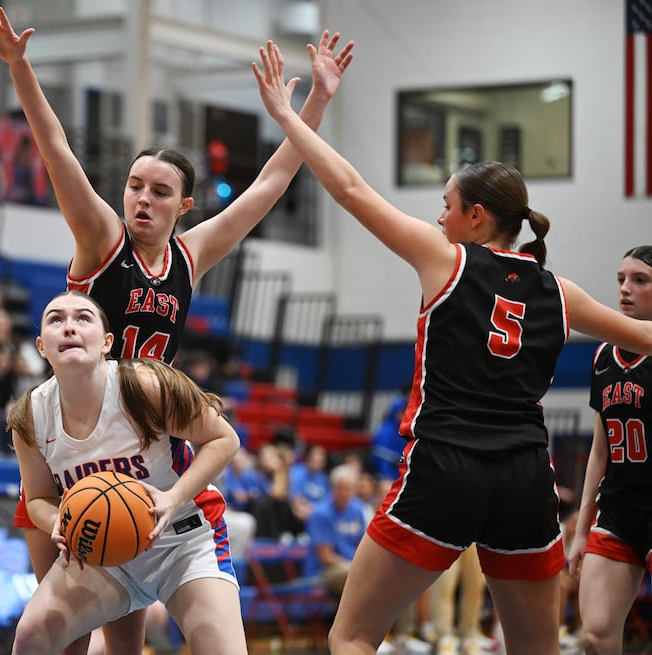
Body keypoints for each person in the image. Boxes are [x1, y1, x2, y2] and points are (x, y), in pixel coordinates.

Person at [0, 4, 353, 653]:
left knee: (133, 626)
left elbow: (273, 179)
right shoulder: (100, 241)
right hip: (78, 452)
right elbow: (57, 150)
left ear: (185, 203)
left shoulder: (189, 255)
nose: (141, 199)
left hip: (152, 440)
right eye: (133, 185)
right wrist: (21, 69)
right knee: (63, 635)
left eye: (158, 190)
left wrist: (313, 100)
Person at [253, 39, 652, 655]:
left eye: (446, 206)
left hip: (445, 464)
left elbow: (353, 190)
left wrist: (288, 113)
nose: (439, 218)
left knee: (352, 635)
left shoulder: (446, 259)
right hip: (525, 476)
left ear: (475, 216)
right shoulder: (560, 290)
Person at [5, 290, 245, 655]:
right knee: (32, 634)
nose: (69, 326)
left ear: (106, 342)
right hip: (102, 549)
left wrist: (173, 497)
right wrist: (56, 519)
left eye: (83, 318)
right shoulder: (30, 416)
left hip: (183, 540)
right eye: (56, 319)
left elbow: (224, 439)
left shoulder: (141, 386)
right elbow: (37, 497)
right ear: (41, 346)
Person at [567, 245, 652, 655]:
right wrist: (582, 530)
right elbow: (600, 452)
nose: (625, 289)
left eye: (640, 280)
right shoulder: (603, 355)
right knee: (595, 636)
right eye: (621, 279)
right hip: (618, 510)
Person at [303, 464, 367, 595]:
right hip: (323, 571)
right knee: (356, 575)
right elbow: (325, 557)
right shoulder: (320, 513)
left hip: (351, 566)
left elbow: (363, 546)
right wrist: (356, 567)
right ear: (332, 489)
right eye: (340, 488)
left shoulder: (358, 509)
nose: (345, 493)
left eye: (349, 489)